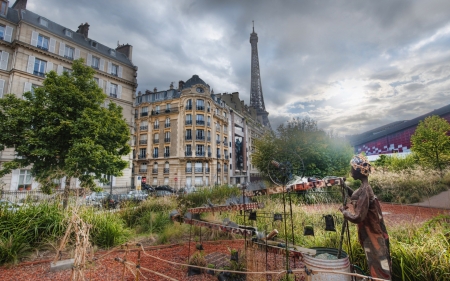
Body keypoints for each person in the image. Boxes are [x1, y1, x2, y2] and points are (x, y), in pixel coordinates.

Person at [339, 154, 392, 280]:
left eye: (352, 168)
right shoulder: (364, 188)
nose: (351, 170)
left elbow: (358, 217)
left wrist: (344, 212)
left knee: (379, 264)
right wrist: (344, 186)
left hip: (374, 234)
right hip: (372, 232)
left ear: (358, 171)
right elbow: (355, 198)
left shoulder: (365, 190)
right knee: (377, 262)